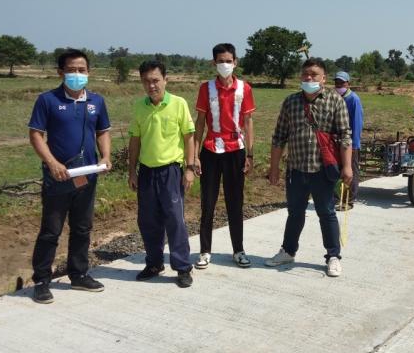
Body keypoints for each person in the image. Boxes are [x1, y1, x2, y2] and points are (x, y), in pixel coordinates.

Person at [28, 48, 111, 304]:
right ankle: (42, 280)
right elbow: (36, 135)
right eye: (72, 70)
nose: (77, 74)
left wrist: (105, 156)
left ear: (89, 72)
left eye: (81, 70)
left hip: (87, 175)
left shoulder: (96, 101)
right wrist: (52, 163)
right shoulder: (48, 100)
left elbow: (103, 131)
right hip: (59, 178)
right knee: (51, 230)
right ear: (60, 72)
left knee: (82, 228)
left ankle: (79, 274)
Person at [266, 58, 352, 277]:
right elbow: (279, 137)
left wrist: (347, 167)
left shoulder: (335, 101)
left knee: (327, 213)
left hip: (323, 170)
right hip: (296, 169)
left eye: (314, 74)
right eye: (305, 74)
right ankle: (288, 251)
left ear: (323, 78)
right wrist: (274, 168)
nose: (309, 78)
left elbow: (345, 136)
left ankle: (333, 256)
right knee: (295, 213)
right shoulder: (291, 102)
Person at [127, 60, 196, 288]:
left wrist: (190, 168)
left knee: (175, 220)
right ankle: (154, 263)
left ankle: (183, 267)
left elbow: (189, 137)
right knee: (148, 220)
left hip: (171, 172)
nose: (152, 86)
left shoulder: (178, 104)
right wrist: (132, 171)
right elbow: (135, 140)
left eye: (156, 80)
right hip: (147, 172)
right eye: (146, 81)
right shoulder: (139, 106)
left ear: (166, 80)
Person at [192, 43, 255, 269]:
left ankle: (238, 250)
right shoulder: (206, 88)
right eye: (221, 61)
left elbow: (248, 122)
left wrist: (250, 154)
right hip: (211, 149)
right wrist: (195, 155)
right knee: (207, 203)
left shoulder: (244, 88)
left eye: (228, 61)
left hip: (235, 150)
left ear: (235, 62)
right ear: (214, 63)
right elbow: (200, 123)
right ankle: (204, 251)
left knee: (235, 203)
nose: (225, 65)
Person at [333, 71, 363, 210]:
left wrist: (354, 144)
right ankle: (336, 198)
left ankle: (348, 201)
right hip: (335, 141)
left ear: (348, 83)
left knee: (350, 171)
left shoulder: (353, 99)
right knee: (336, 171)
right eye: (337, 82)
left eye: (342, 82)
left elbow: (357, 123)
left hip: (350, 143)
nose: (339, 85)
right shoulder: (335, 98)